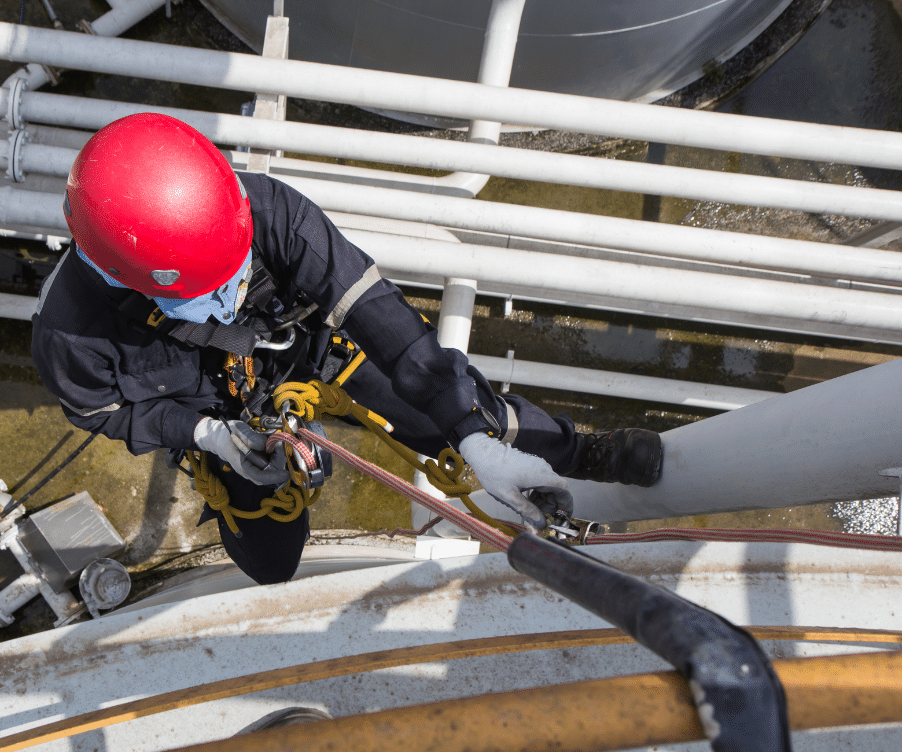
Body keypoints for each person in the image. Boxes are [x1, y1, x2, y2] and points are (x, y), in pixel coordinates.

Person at [32, 113, 663, 585]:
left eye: (237, 276)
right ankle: (254, 488)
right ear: (127, 279)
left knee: (460, 411)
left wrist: (472, 439)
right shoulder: (71, 338)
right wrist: (203, 436)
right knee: (271, 557)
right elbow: (102, 412)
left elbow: (390, 327)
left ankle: (581, 451)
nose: (230, 300)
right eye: (209, 291)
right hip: (226, 416)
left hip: (315, 355)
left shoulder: (268, 213)